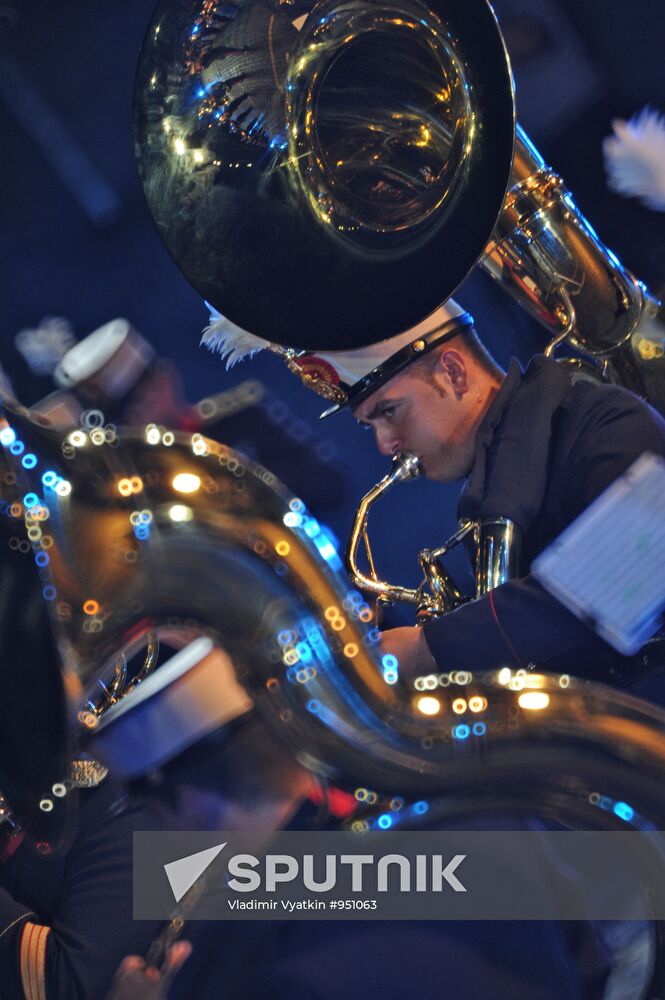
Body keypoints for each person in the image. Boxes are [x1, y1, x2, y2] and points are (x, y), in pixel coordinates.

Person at [202, 297, 665, 690]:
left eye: (389, 412)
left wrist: (431, 649)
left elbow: (641, 563)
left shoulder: (599, 420)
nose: (385, 444)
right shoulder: (488, 502)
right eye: (371, 426)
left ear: (452, 372)